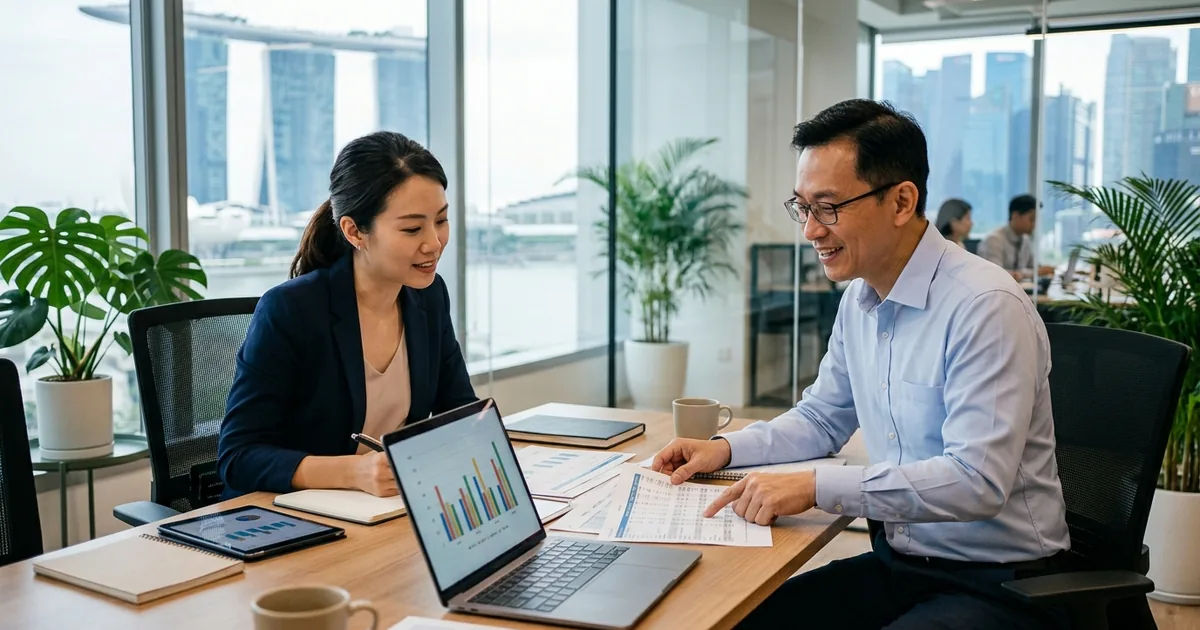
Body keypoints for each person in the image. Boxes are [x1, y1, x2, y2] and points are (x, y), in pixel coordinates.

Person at [651, 100, 1071, 629]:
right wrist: (726, 448)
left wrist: (815, 486)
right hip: (902, 566)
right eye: (802, 207)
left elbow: (976, 480)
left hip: (1004, 584)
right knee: (741, 620)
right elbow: (822, 419)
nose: (810, 231)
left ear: (901, 201)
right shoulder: (860, 299)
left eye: (828, 207)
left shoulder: (985, 305)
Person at [217, 131, 477, 500]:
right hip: (292, 517)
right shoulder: (291, 310)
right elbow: (238, 457)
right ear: (354, 231)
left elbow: (461, 415)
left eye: (441, 220)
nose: (433, 243)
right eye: (412, 228)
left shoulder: (429, 297)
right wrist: (355, 472)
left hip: (384, 512)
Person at [977, 194, 1056, 280]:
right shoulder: (994, 240)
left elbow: (1034, 267)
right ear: (1015, 216)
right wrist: (1034, 272)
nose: (1035, 224)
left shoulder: (1025, 240)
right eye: (1031, 219)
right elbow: (995, 274)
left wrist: (1044, 270)